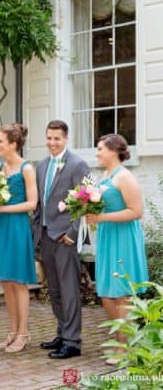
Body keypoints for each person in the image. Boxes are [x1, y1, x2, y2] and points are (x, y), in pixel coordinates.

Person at [86, 134, 148, 365]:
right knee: (106, 293)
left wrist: (101, 216)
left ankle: (127, 349)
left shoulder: (124, 177)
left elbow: (136, 211)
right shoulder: (105, 175)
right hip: (107, 236)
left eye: (100, 149)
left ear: (113, 151)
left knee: (121, 293)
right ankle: (120, 342)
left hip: (123, 237)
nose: (97, 153)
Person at [32, 120, 89, 359]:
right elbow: (38, 203)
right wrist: (35, 231)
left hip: (65, 237)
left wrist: (73, 234)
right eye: (49, 138)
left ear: (65, 139)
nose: (52, 143)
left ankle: (73, 341)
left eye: (56, 138)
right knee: (53, 289)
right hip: (45, 235)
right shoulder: (41, 165)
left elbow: (84, 202)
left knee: (68, 290)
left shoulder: (77, 165)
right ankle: (62, 332)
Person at [0, 123, 37, 353]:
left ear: (13, 144)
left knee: (18, 281)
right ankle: (11, 332)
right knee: (5, 280)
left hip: (16, 226)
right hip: (0, 226)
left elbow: (32, 203)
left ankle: (23, 333)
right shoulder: (0, 168)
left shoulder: (27, 169)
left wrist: (4, 209)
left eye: (0, 141)